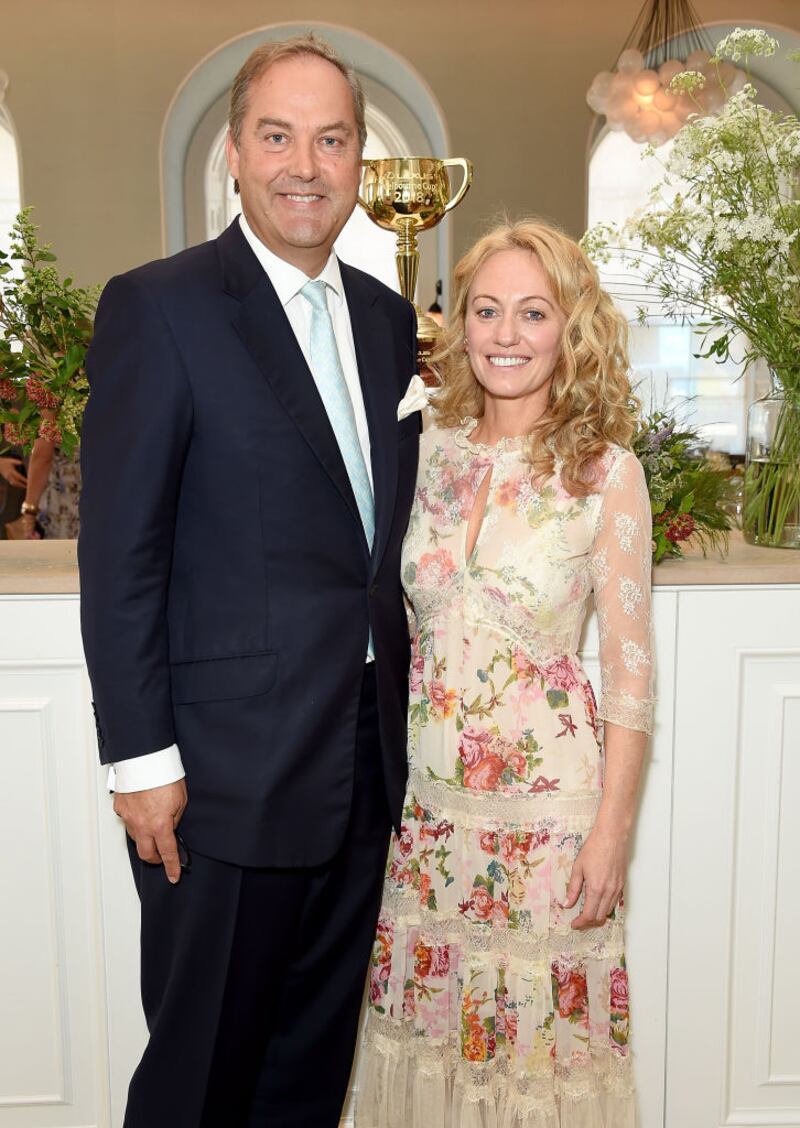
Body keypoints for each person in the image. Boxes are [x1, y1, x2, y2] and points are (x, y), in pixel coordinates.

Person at [78, 33, 419, 1128]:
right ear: (234, 151)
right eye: (277, 136)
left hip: (364, 759)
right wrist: (139, 759)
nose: (304, 165)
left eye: (330, 139)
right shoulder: (160, 307)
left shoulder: (384, 321)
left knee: (310, 1068)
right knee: (199, 1079)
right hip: (218, 784)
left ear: (360, 157)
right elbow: (120, 555)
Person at [357, 220, 654, 1127]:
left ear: (572, 330)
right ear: (461, 323)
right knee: (434, 1053)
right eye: (487, 310)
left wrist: (612, 835)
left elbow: (631, 676)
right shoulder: (424, 446)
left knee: (535, 1074)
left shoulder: (607, 473)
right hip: (432, 822)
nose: (506, 334)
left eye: (534, 313)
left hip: (551, 828)